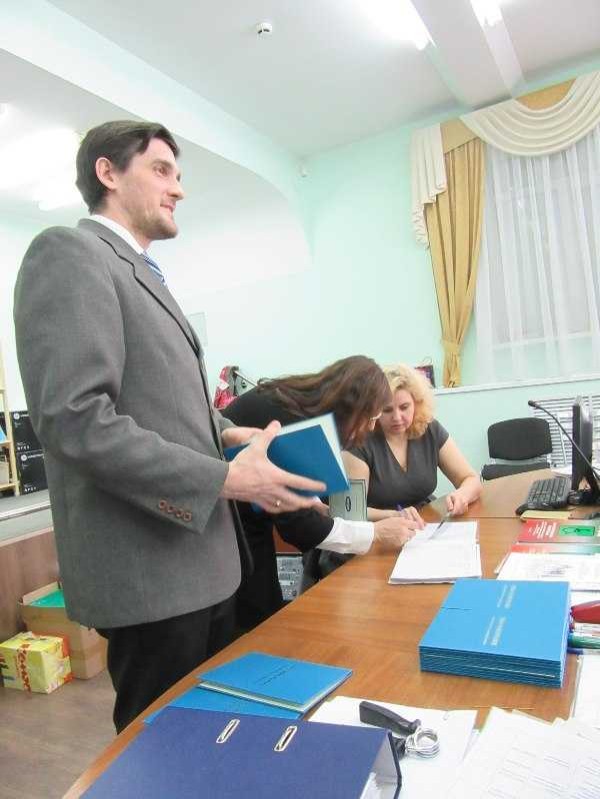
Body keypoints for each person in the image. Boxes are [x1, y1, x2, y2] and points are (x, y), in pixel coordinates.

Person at [12, 120, 323, 732]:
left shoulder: (142, 273)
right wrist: (225, 479)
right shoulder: (68, 254)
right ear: (107, 172)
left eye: (177, 175)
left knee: (212, 735)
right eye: (161, 170)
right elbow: (75, 419)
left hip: (205, 565)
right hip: (150, 575)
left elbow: (161, 398)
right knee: (161, 749)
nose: (178, 188)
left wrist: (225, 431)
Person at [222, 356, 425, 632]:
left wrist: (316, 504)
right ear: (355, 408)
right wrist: (376, 534)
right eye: (373, 417)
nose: (371, 428)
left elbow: (293, 484)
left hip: (242, 514)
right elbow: (300, 528)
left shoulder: (298, 402)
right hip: (228, 524)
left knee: (264, 612)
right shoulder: (292, 420)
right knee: (256, 621)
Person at [344, 364, 481, 519]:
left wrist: (462, 495)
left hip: (427, 521)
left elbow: (470, 479)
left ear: (417, 403)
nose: (397, 417)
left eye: (404, 407)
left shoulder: (430, 429)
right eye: (387, 410)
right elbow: (350, 511)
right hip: (380, 528)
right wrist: (395, 515)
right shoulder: (359, 442)